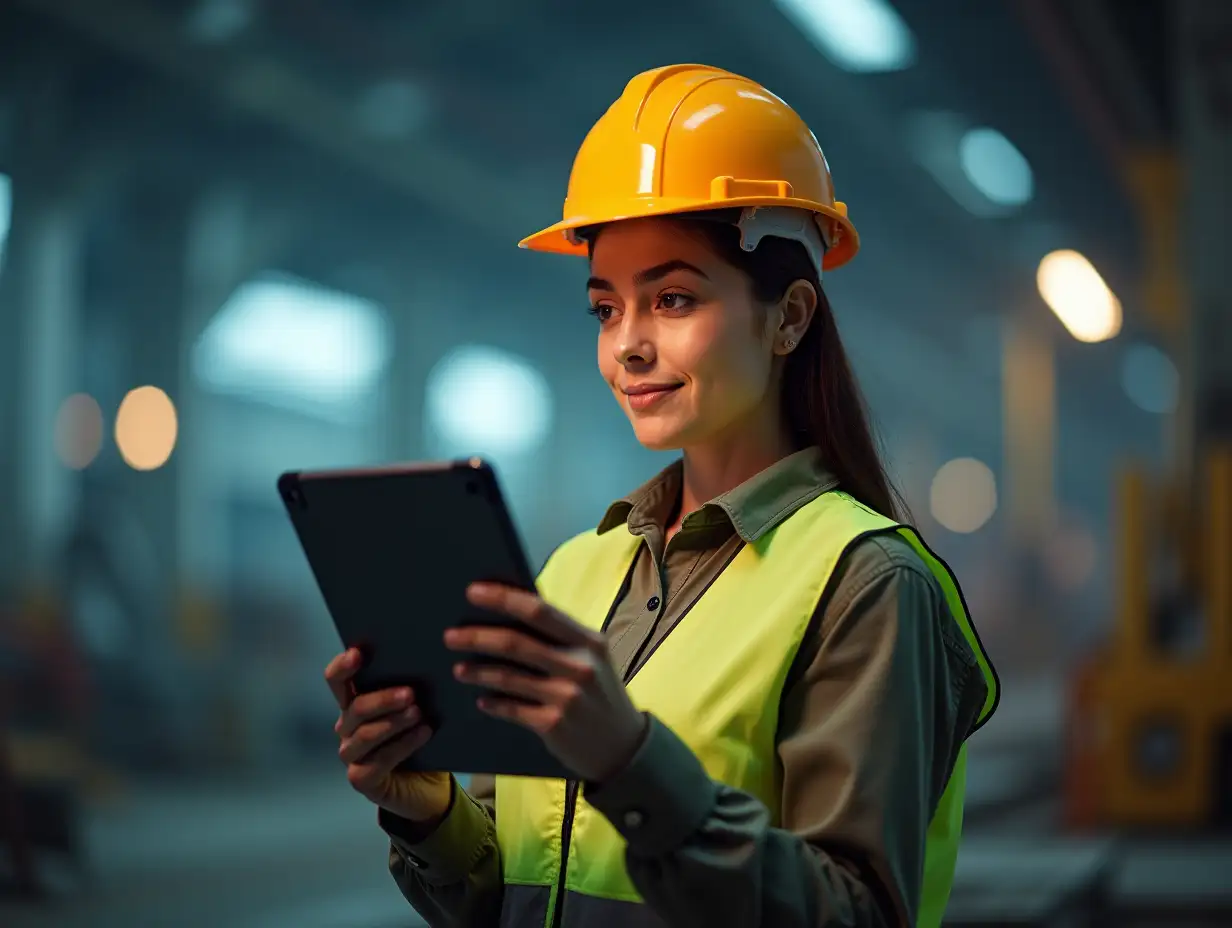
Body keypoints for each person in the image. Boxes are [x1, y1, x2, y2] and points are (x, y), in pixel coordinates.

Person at [325, 64, 999, 928]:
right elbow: (509, 898)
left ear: (789, 318)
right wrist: (425, 809)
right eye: (607, 309)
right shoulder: (577, 573)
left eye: (673, 298)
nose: (629, 347)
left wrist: (631, 763)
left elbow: (856, 914)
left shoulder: (866, 587)